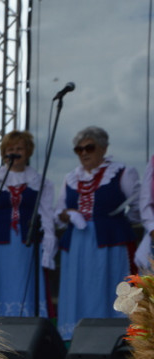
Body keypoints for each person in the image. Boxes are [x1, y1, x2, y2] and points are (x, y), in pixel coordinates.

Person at [55, 126, 140, 340]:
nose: (84, 153)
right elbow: (58, 211)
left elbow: (138, 204)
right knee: (78, 290)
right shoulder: (70, 178)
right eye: (79, 149)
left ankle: (111, 339)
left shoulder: (122, 172)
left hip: (109, 244)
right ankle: (76, 342)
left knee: (109, 288)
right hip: (77, 245)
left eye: (89, 147)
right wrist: (67, 214)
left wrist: (118, 224)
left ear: (103, 148)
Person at [0, 131, 56, 317]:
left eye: (19, 148)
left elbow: (46, 216)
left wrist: (48, 247)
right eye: (10, 149)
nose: (15, 153)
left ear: (28, 152)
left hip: (27, 245)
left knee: (25, 283)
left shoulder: (39, 181)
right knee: (0, 284)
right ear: (4, 153)